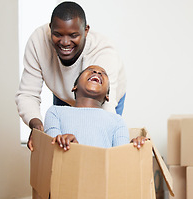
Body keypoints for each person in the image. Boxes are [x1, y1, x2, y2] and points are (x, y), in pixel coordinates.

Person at [15, 1, 126, 150]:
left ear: (86, 31)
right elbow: (28, 94)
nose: (65, 42)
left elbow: (106, 107)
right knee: (61, 147)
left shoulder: (104, 53)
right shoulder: (38, 41)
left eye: (73, 35)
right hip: (62, 95)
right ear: (50, 29)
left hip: (103, 104)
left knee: (103, 141)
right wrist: (37, 128)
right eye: (58, 34)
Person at [44, 65, 145, 150]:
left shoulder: (117, 121)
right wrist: (68, 146)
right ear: (75, 87)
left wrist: (133, 149)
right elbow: (51, 149)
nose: (97, 72)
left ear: (107, 95)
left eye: (103, 73)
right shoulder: (56, 112)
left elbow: (120, 159)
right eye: (90, 70)